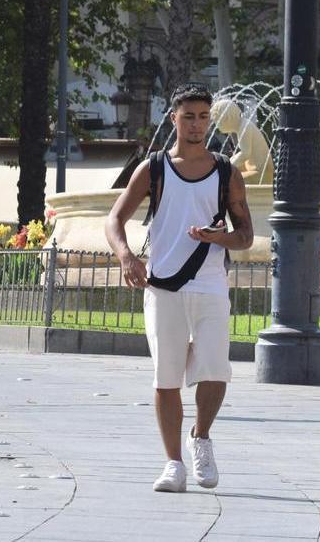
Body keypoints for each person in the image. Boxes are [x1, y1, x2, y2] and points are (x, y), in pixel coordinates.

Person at [105, 84, 255, 492]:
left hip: (209, 284)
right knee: (166, 375)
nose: (196, 124)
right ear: (173, 119)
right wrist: (126, 257)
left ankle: (200, 437)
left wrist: (217, 238)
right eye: (188, 116)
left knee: (215, 369)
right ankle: (173, 464)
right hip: (161, 285)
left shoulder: (227, 172)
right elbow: (114, 220)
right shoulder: (153, 168)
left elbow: (245, 236)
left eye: (203, 117)